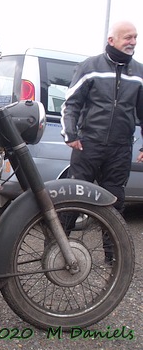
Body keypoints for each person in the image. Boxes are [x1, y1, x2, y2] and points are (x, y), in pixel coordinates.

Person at [61, 20, 143, 263]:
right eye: (128, 37)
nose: (133, 42)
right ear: (112, 40)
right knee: (74, 198)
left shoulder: (139, 72)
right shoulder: (90, 66)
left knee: (114, 203)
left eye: (135, 37)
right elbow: (71, 103)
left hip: (120, 148)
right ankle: (57, 246)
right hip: (88, 145)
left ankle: (113, 257)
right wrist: (71, 136)